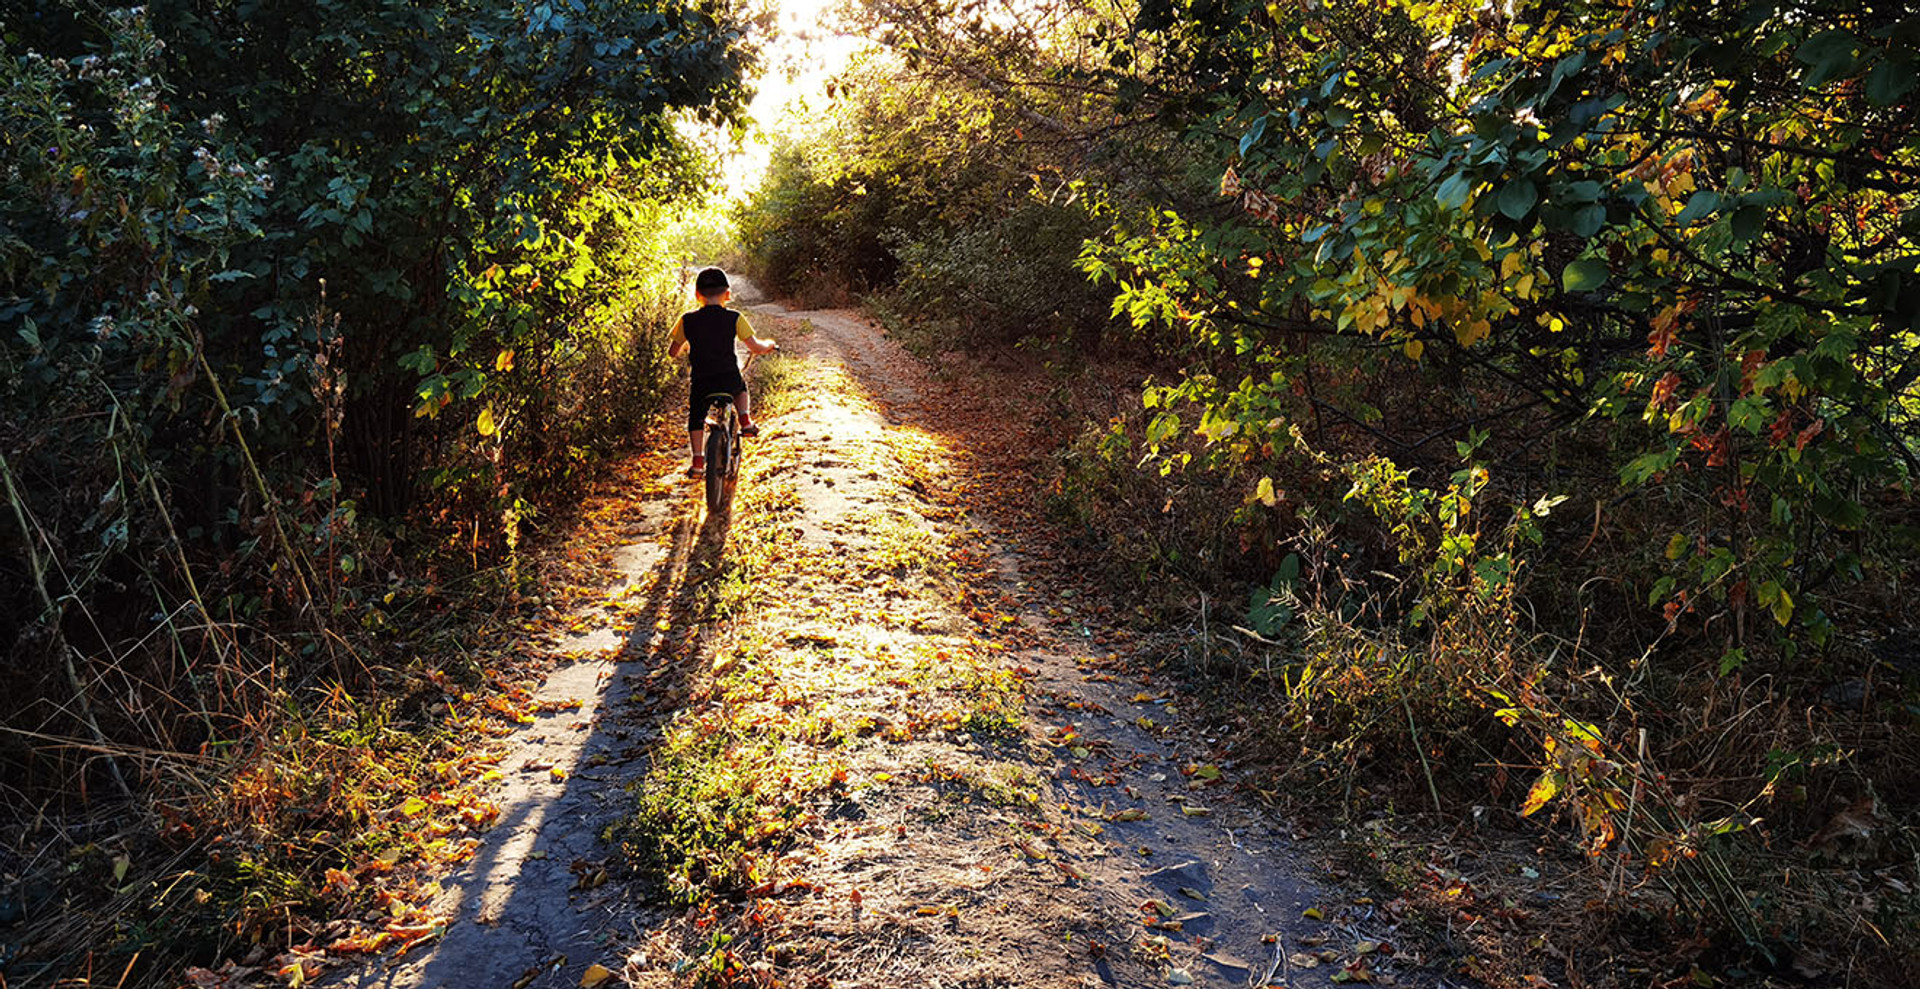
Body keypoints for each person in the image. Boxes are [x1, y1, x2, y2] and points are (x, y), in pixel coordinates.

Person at [668, 267, 777, 477]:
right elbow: (755, 347)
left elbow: (673, 352)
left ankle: (698, 462)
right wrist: (769, 345)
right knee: (740, 387)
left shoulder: (686, 320)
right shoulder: (734, 317)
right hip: (728, 376)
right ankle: (745, 421)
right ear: (728, 294)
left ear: (697, 295)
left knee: (696, 418)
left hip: (701, 380)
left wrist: (687, 346)